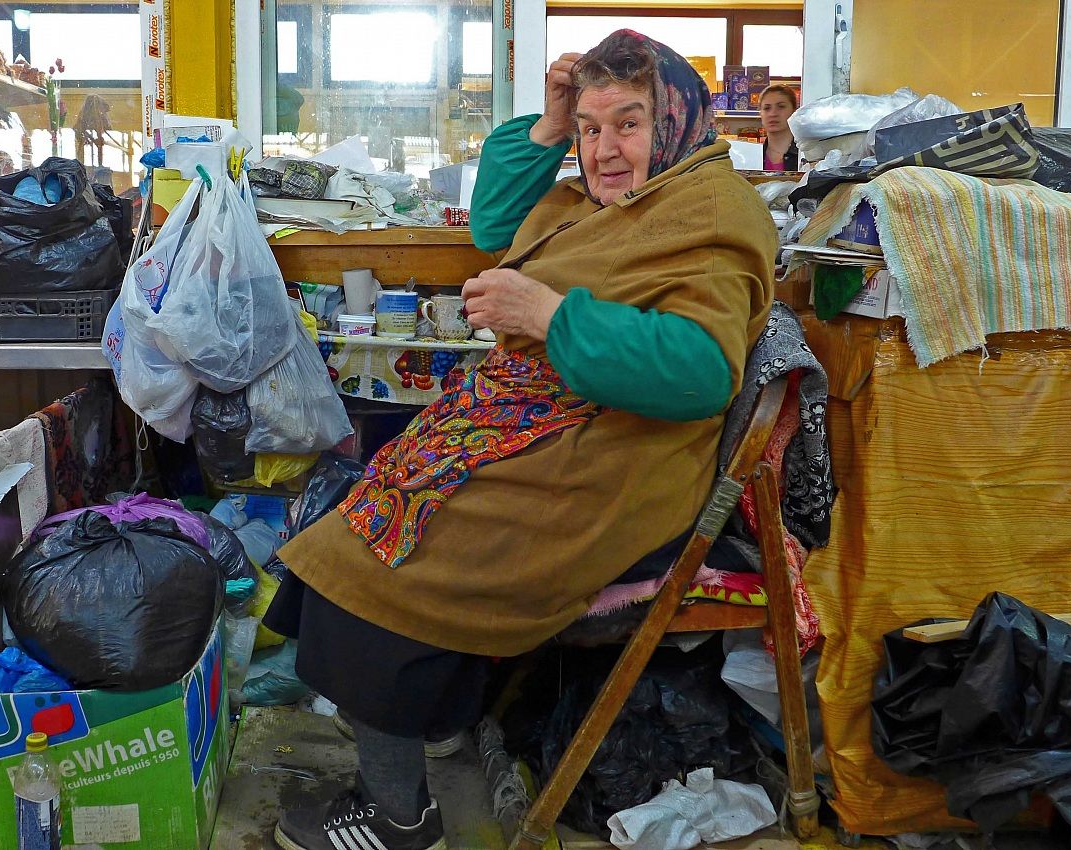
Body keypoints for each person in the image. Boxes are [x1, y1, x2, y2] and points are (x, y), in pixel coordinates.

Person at [264, 29, 777, 850]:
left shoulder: (708, 215)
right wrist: (546, 126)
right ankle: (426, 713)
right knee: (366, 502)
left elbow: (700, 372)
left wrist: (547, 316)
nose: (604, 149)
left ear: (676, 121)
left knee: (371, 563)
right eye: (591, 127)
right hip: (549, 430)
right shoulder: (615, 201)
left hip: (614, 466)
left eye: (628, 124)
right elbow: (500, 224)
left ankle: (397, 816)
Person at [759, 84, 799, 171]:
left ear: (794, 111)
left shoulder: (806, 155)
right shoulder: (751, 156)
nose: (773, 113)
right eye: (767, 108)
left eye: (781, 106)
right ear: (760, 113)